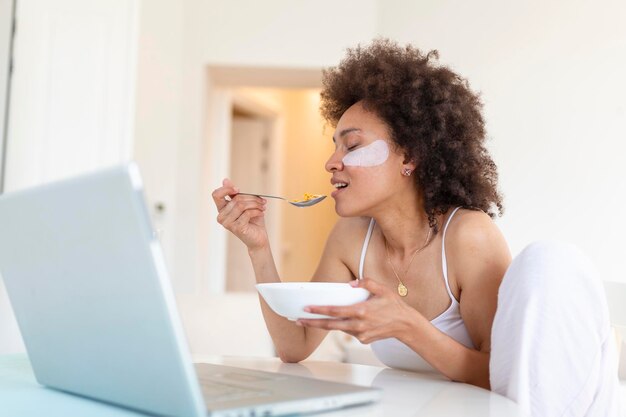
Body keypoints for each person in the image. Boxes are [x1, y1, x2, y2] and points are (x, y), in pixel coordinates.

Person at [212, 38, 510, 390]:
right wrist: (258, 248)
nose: (331, 162)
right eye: (334, 146)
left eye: (352, 146)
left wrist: (407, 326)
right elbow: (294, 346)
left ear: (410, 157)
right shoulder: (351, 237)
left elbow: (501, 374)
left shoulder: (469, 237)